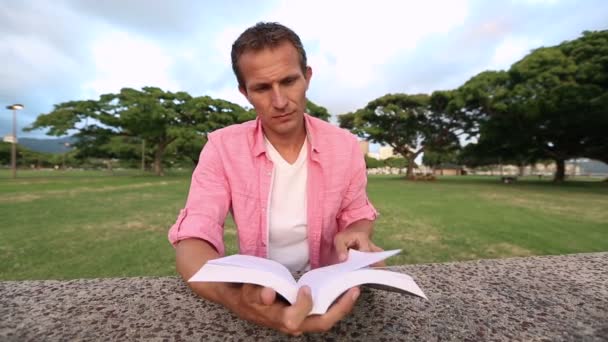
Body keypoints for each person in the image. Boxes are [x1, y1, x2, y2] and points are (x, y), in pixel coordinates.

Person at [168, 22, 381, 335]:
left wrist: (355, 235)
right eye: (262, 88)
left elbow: (358, 215)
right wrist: (235, 297)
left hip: (327, 289)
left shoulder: (345, 146)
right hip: (258, 291)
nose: (280, 101)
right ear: (245, 92)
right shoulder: (222, 147)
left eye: (289, 81)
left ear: (307, 77)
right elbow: (194, 237)